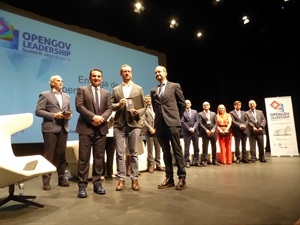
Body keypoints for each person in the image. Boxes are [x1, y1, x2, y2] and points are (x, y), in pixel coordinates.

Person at [75, 68, 113, 198]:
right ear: (89, 78)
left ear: (102, 78)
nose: (96, 78)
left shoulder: (106, 93)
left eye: (99, 76)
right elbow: (79, 106)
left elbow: (109, 108)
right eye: (94, 76)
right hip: (86, 129)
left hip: (101, 129)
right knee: (84, 159)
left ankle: (97, 184)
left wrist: (102, 118)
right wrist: (93, 117)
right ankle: (82, 187)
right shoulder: (82, 90)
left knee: (99, 158)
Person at [150, 65, 187, 190]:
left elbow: (182, 104)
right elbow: (155, 108)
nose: (157, 74)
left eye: (159, 71)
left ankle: (182, 177)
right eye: (155, 72)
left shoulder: (174, 86)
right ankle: (169, 178)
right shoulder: (153, 90)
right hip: (160, 125)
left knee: (177, 151)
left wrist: (176, 118)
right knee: (165, 152)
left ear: (165, 72)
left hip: (172, 123)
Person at [111, 64, 146, 191]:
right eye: (124, 71)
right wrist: (118, 105)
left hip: (134, 124)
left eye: (129, 71)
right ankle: (121, 180)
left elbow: (143, 107)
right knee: (120, 154)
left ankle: (134, 179)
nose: (126, 73)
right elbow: (110, 105)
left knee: (133, 153)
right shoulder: (116, 89)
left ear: (131, 73)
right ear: (121, 74)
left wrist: (138, 113)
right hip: (119, 124)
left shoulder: (139, 88)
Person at [35, 75, 72, 191]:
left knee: (61, 155)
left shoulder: (67, 96)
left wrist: (68, 115)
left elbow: (69, 111)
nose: (61, 82)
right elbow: (38, 111)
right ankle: (46, 181)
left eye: (62, 80)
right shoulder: (45, 95)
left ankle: (62, 179)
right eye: (58, 81)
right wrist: (53, 115)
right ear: (51, 83)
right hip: (50, 128)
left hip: (63, 128)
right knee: (48, 155)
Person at [141, 94, 164, 173]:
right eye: (146, 99)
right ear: (145, 101)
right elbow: (143, 120)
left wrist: (157, 129)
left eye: (149, 99)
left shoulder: (156, 108)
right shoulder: (144, 109)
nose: (148, 100)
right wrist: (150, 128)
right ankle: (151, 165)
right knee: (150, 149)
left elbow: (159, 118)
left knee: (158, 148)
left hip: (157, 131)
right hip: (149, 131)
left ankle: (158, 164)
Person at [198, 101, 220, 166]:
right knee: (205, 147)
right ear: (203, 107)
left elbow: (216, 123)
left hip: (213, 133)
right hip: (205, 133)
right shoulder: (200, 114)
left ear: (209, 106)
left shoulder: (213, 113)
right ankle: (205, 160)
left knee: (214, 147)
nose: (206, 106)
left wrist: (213, 130)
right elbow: (200, 123)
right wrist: (206, 130)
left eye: (207, 105)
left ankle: (214, 160)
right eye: (204, 105)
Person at [180, 99, 201, 167]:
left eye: (188, 103)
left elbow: (197, 121)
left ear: (190, 104)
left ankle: (196, 161)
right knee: (187, 148)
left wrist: (194, 128)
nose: (187, 104)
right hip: (186, 132)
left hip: (195, 132)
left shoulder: (195, 112)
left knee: (196, 147)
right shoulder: (182, 112)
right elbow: (182, 122)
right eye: (186, 103)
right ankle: (187, 162)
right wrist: (189, 129)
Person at [102, 111, 116, 180]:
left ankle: (110, 173)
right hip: (103, 134)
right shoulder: (102, 111)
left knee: (110, 155)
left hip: (112, 135)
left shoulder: (114, 112)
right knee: (101, 155)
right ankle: (102, 173)